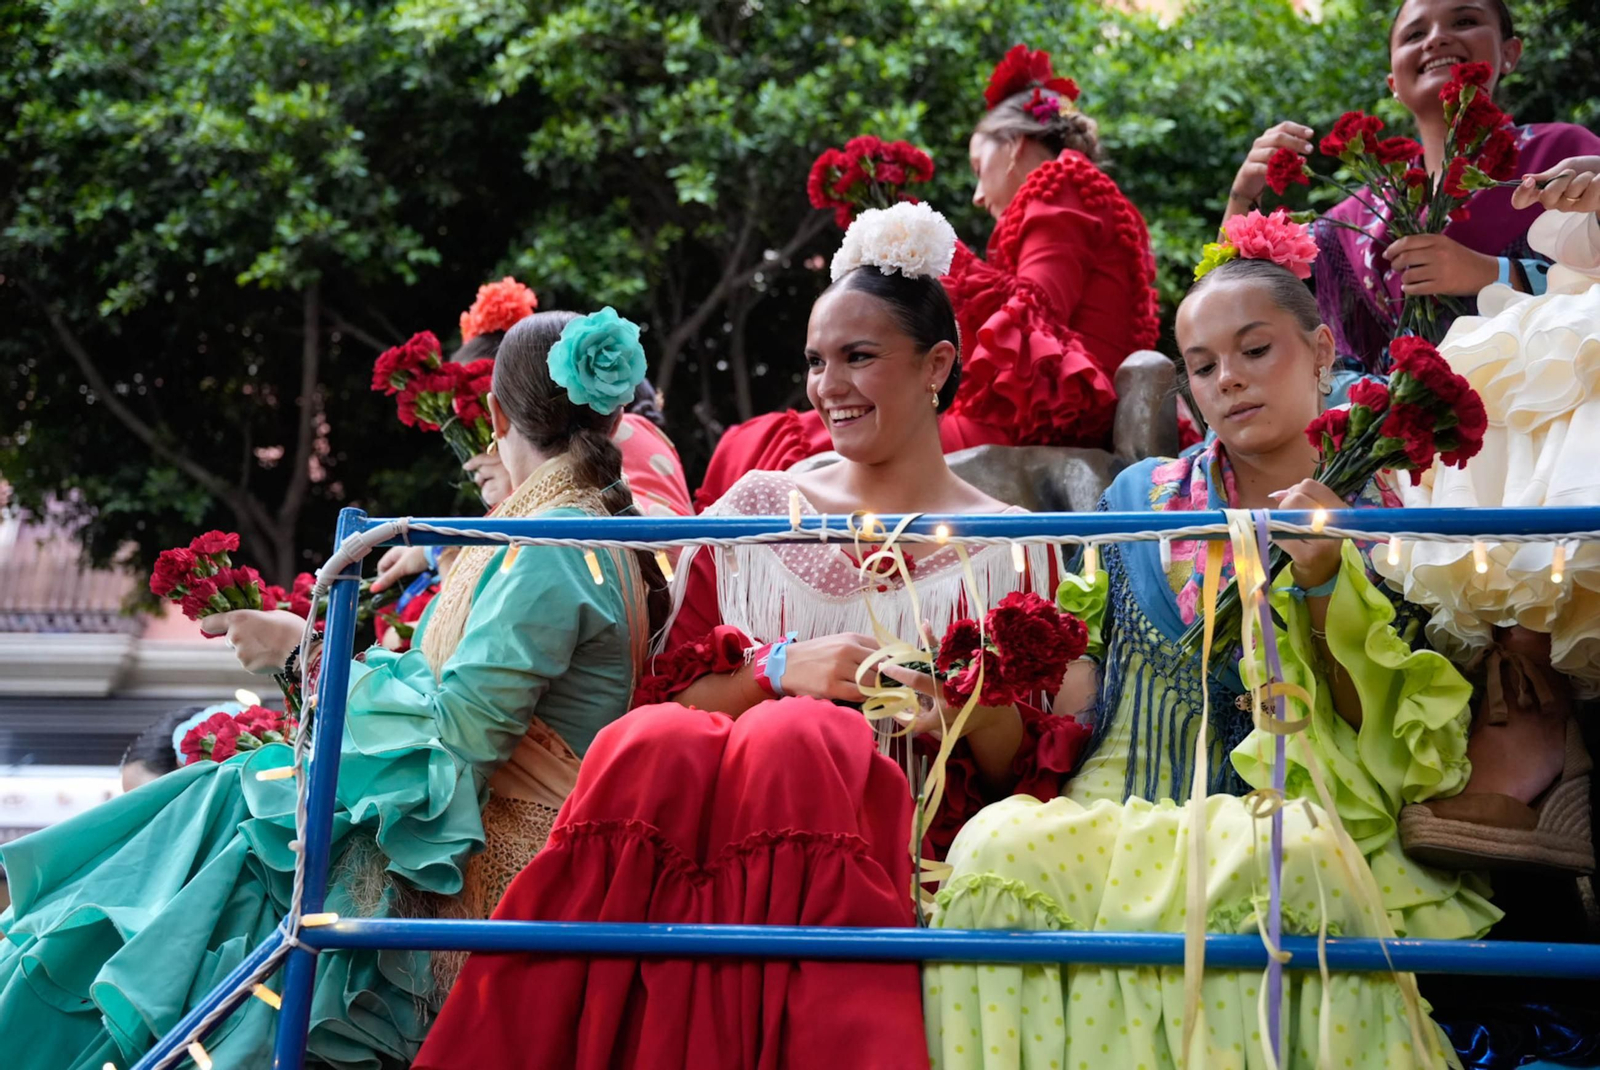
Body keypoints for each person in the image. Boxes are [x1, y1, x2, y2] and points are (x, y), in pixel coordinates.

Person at [414, 202, 1093, 1070]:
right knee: (693, 737)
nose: (828, 386)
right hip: (713, 852)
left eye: (859, 357)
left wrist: (953, 709)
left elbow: (1023, 769)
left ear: (937, 367)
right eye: (816, 362)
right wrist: (778, 668)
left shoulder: (1012, 545)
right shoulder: (753, 514)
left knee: (802, 737)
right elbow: (661, 702)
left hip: (906, 855)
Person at [0, 310, 664, 1069]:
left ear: (495, 415)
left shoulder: (551, 547)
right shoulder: (567, 532)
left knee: (216, 835)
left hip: (484, 866)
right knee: (220, 814)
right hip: (470, 844)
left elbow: (456, 750)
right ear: (615, 410)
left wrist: (305, 650)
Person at [923, 227, 1500, 1070]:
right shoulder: (1142, 498)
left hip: (1301, 804)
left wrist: (1323, 585)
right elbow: (1084, 697)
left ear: (1322, 350)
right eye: (1200, 366)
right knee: (993, 848)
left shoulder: (1392, 506)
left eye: (1254, 350)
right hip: (1121, 801)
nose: (1227, 379)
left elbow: (1386, 746)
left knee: (1282, 859)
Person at [695, 43, 1159, 509]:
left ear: (1015, 145)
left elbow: (1033, 319)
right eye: (816, 362)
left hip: (1031, 419)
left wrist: (927, 248)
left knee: (767, 440)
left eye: (979, 168)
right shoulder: (1079, 195)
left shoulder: (1062, 186)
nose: (978, 195)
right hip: (1036, 413)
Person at [1379, 157, 1599, 874]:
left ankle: (1534, 690)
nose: (1440, 40)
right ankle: (1521, 673)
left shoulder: (1555, 144)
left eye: (1461, 32)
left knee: (1569, 330)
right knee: (1496, 348)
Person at [1225, 0, 1600, 371]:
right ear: (1393, 82)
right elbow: (1236, 307)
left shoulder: (1564, 156)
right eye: (1415, 34)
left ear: (1509, 53)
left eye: (1465, 20)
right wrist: (1243, 197)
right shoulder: (1355, 220)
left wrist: (1495, 274)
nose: (1436, 39)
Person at [371, 281, 693, 595]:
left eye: (480, 425)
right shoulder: (626, 440)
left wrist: (446, 549)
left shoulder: (560, 523)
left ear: (508, 413)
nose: (479, 451)